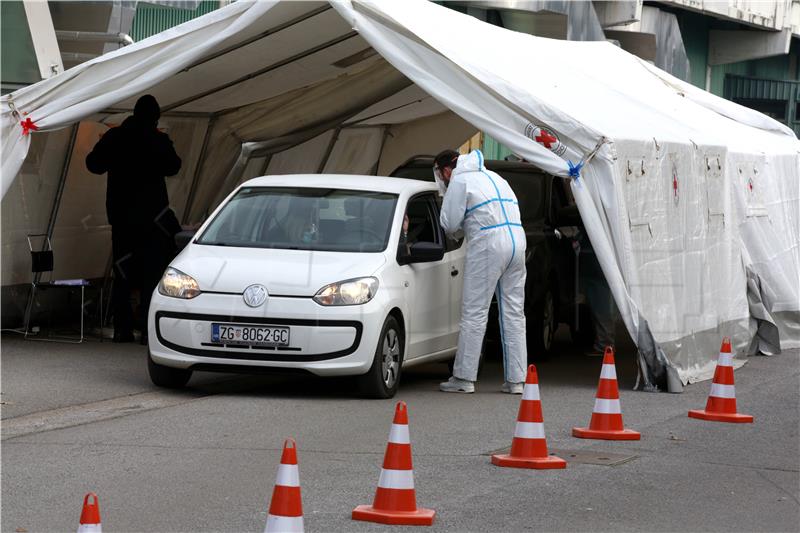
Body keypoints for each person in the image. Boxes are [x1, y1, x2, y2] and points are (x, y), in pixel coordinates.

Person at [86, 95, 182, 343]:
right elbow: (174, 167)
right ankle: (148, 330)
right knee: (152, 274)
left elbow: (93, 164)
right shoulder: (158, 140)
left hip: (122, 218)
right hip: (153, 220)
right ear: (155, 118)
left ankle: (122, 329)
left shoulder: (115, 137)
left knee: (123, 272)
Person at [437, 149, 527, 394]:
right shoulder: (497, 178)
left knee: (474, 311)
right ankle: (516, 381)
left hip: (488, 244)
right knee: (514, 312)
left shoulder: (459, 180)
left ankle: (464, 378)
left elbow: (449, 224)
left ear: (446, 170)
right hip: (517, 241)